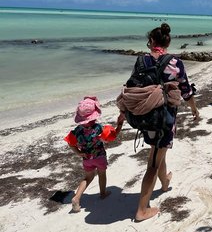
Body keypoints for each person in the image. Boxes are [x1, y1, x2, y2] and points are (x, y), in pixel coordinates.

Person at [116, 23, 199, 222]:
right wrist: (195, 109)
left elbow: (131, 86)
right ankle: (142, 210)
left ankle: (164, 182)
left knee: (157, 149)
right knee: (153, 161)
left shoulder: (141, 60)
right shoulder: (175, 63)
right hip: (164, 119)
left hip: (145, 115)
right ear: (168, 42)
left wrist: (122, 113)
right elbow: (186, 91)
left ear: (151, 42)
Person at [64, 96, 122, 213]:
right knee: (101, 175)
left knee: (88, 178)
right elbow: (112, 136)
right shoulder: (98, 128)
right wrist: (120, 123)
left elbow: (70, 144)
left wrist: (79, 153)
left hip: (87, 158)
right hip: (99, 156)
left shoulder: (77, 131)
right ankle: (103, 193)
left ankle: (76, 197)